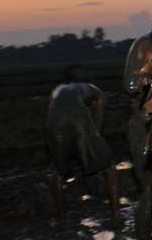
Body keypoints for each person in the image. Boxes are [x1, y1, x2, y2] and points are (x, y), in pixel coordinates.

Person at [45, 67, 120, 219]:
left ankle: (61, 216)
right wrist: (95, 138)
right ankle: (116, 213)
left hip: (53, 127)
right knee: (109, 167)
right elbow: (98, 115)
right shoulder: (93, 88)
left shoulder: (58, 90)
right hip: (80, 123)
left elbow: (54, 111)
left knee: (58, 171)